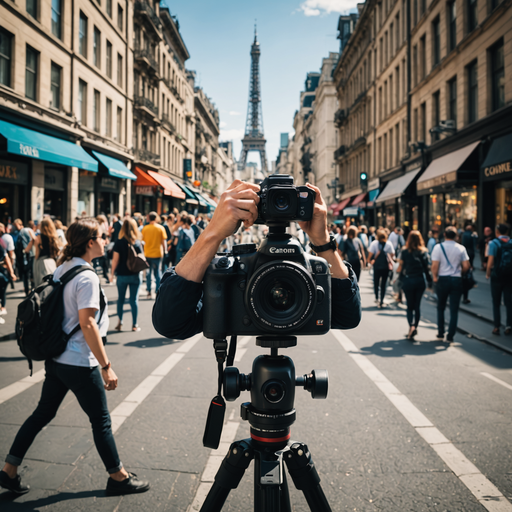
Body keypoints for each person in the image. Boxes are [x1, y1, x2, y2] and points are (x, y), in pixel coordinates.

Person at [0, 218, 150, 496]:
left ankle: (9, 470)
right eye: (103, 237)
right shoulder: (88, 276)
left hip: (56, 359)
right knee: (101, 421)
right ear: (91, 242)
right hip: (80, 361)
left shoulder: (64, 268)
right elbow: (87, 323)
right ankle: (118, 477)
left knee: (41, 414)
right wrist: (106, 366)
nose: (106, 240)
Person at [152, 180, 361, 339]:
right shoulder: (241, 263)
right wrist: (213, 232)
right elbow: (170, 323)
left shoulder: (248, 263)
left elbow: (347, 316)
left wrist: (322, 240)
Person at [431, 226, 471, 342]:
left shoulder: (438, 247)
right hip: (456, 279)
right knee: (454, 309)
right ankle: (451, 335)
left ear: (444, 235)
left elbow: (434, 265)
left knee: (441, 307)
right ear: (456, 236)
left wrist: (434, 277)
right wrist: (460, 273)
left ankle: (440, 332)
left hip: (442, 279)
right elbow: (466, 266)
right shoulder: (461, 248)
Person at [395, 231, 432, 339]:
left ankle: (411, 326)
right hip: (420, 281)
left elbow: (401, 268)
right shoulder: (424, 252)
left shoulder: (404, 251)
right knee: (417, 306)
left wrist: (399, 279)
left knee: (409, 306)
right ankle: (415, 326)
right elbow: (426, 269)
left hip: (408, 280)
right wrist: (429, 281)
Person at [111, 218, 144, 332]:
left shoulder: (119, 242)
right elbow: (141, 259)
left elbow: (115, 260)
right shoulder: (138, 242)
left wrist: (111, 274)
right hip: (135, 274)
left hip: (122, 275)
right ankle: (134, 325)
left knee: (120, 300)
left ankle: (120, 323)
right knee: (134, 300)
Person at [485, 223, 512, 336]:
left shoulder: (493, 243)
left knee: (496, 302)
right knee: (509, 301)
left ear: (497, 232)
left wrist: (488, 274)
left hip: (497, 275)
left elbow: (490, 261)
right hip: (510, 276)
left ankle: (496, 326)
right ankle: (509, 326)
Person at [141, 211, 167, 299]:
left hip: (147, 253)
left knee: (148, 273)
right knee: (158, 273)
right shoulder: (160, 228)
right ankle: (157, 290)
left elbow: (142, 241)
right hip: (158, 253)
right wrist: (165, 250)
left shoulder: (145, 228)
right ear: (156, 218)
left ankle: (148, 291)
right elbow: (164, 241)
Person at [368, 229, 394, 308]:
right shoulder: (389, 244)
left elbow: (370, 255)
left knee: (376, 282)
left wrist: (370, 260)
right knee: (383, 283)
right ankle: (382, 300)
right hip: (385, 267)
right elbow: (392, 254)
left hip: (377, 266)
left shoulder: (374, 244)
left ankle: (377, 297)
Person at [33, 217, 62, 287]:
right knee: (51, 284)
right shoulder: (55, 237)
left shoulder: (39, 237)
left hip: (41, 262)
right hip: (51, 262)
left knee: (41, 285)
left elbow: (37, 254)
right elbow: (57, 253)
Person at [13, 218, 36, 295]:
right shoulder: (26, 230)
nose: (15, 227)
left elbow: (29, 241)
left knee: (26, 273)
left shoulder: (23, 231)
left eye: (16, 226)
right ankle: (30, 289)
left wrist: (26, 250)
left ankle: (27, 290)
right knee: (30, 273)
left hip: (26, 255)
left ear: (20, 224)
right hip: (30, 255)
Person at [0, 242, 16, 321]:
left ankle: (2, 307)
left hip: (2, 273)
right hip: (3, 273)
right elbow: (7, 259)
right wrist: (12, 273)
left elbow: (6, 258)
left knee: (2, 291)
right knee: (2, 291)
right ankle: (3, 307)